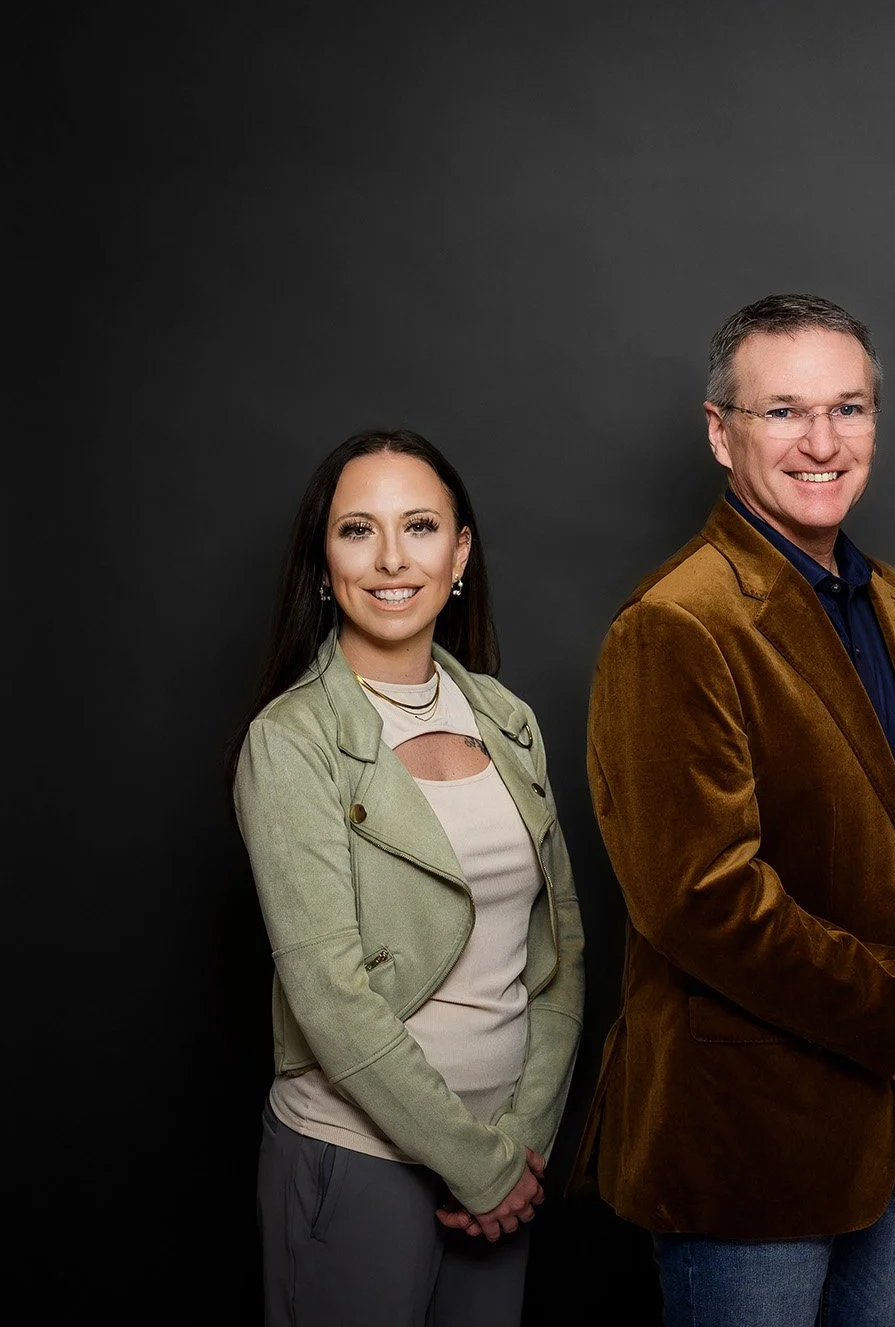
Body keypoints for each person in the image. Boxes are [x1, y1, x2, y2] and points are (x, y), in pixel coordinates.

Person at [575, 293, 895, 1327]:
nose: (822, 443)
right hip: (745, 1148)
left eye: (847, 409)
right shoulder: (677, 624)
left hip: (893, 1135)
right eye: (782, 413)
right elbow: (700, 901)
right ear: (720, 434)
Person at [231, 429, 586, 1326]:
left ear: (459, 552)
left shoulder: (507, 718)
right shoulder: (291, 739)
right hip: (358, 1159)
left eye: (421, 526)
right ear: (323, 561)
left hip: (508, 1160)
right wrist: (477, 1165)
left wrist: (521, 1141)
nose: (392, 558)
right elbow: (328, 992)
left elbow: (559, 954)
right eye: (358, 531)